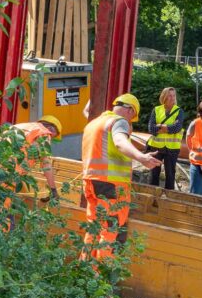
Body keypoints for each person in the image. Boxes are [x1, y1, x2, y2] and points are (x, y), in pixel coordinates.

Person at [80, 94, 161, 260]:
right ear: (130, 110)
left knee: (94, 227)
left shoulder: (95, 123)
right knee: (110, 230)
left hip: (91, 182)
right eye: (133, 117)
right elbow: (120, 141)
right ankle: (102, 277)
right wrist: (142, 158)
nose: (130, 123)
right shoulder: (119, 122)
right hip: (111, 185)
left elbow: (86, 110)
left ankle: (86, 270)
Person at [11, 115, 63, 200]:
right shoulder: (43, 133)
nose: (50, 138)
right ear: (50, 128)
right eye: (53, 136)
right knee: (3, 208)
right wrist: (53, 191)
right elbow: (46, 165)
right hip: (9, 172)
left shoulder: (20, 126)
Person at [146, 87, 184, 190]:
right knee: (154, 173)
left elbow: (176, 128)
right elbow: (151, 129)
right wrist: (168, 128)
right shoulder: (157, 109)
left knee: (170, 175)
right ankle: (152, 194)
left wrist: (160, 127)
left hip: (172, 149)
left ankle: (169, 197)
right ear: (164, 97)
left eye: (173, 95)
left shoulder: (179, 111)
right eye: (169, 96)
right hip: (156, 147)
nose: (172, 98)